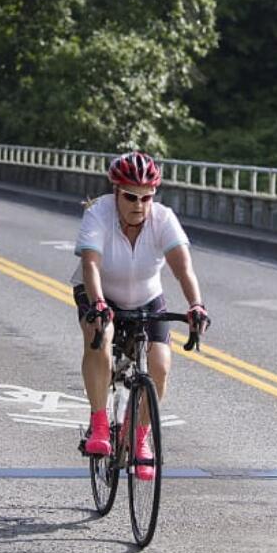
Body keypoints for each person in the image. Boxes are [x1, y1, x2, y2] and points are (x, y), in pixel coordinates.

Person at [71, 151, 211, 480]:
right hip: (100, 293)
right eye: (131, 197)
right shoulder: (99, 214)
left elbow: (183, 268)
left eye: (147, 198)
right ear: (116, 192)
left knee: (160, 366)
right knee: (100, 338)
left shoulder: (163, 219)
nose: (139, 205)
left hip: (147, 298)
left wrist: (196, 304)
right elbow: (90, 264)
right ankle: (100, 424)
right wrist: (99, 304)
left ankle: (138, 437)